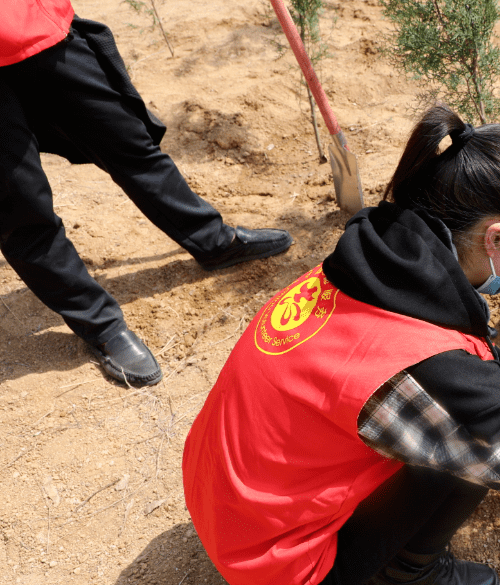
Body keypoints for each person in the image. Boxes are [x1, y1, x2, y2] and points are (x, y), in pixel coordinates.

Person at [182, 104, 500, 585]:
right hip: (274, 561)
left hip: (222, 497)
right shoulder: (423, 370)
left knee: (458, 433)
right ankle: (405, 583)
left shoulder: (376, 265)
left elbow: (485, 386)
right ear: (497, 237)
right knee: (461, 456)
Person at [1, 0, 294, 388]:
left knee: (129, 142)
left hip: (35, 28)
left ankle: (212, 240)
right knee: (20, 207)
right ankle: (101, 325)